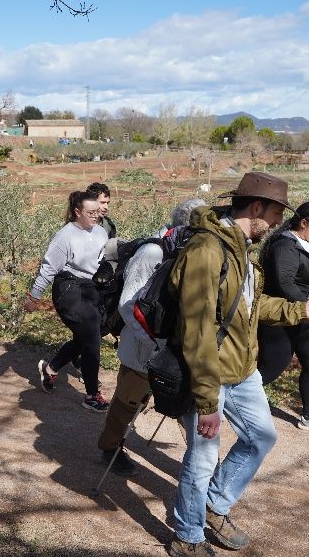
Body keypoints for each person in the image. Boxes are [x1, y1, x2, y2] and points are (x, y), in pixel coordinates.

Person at [167, 173, 309, 557]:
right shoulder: (207, 251)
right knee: (201, 460)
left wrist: (303, 310)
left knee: (261, 437)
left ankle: (215, 506)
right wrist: (206, 399)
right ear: (256, 207)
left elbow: (249, 306)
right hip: (211, 375)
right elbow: (196, 329)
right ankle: (187, 536)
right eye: (278, 212)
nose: (280, 221)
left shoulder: (241, 250)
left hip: (243, 371)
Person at [97, 198, 207, 477]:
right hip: (142, 347)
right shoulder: (151, 253)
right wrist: (153, 344)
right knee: (127, 404)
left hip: (173, 348)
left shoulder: (188, 251)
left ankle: (201, 463)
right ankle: (110, 448)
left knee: (187, 404)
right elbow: (127, 305)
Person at [24, 190, 111, 412]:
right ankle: (92, 395)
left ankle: (51, 369)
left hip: (90, 289)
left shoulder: (101, 233)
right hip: (69, 290)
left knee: (87, 337)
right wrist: (34, 297)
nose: (95, 216)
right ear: (77, 212)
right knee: (91, 339)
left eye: (97, 212)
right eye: (90, 212)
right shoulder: (65, 236)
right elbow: (48, 269)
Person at [257, 201, 309, 433]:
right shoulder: (285, 246)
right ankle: (228, 400)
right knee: (271, 367)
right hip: (284, 316)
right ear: (304, 223)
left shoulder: (307, 244)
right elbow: (285, 284)